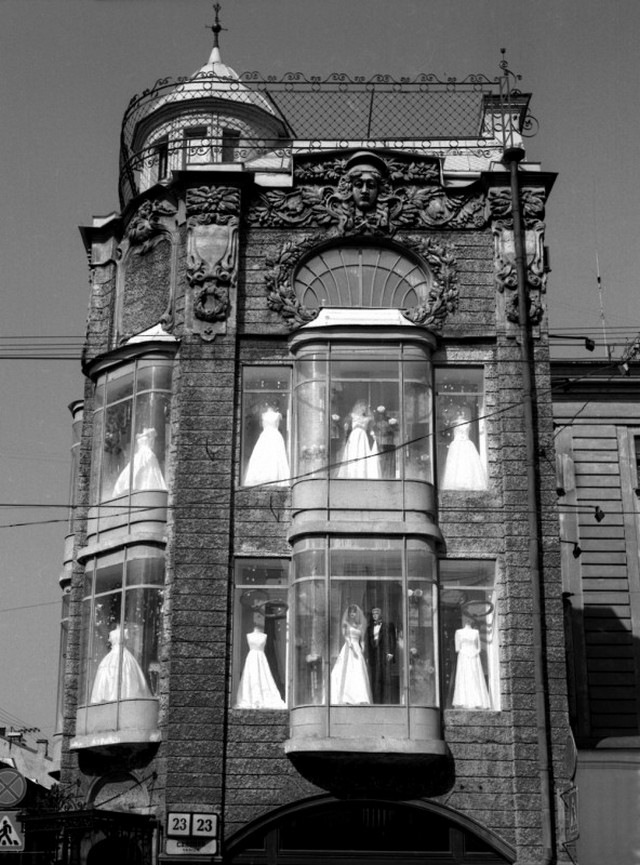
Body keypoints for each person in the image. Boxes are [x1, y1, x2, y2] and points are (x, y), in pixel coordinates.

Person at [235, 614, 286, 709]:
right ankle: (250, 698)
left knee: (263, 676)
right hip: (251, 659)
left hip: (262, 659)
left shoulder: (264, 636)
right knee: (250, 677)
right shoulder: (249, 635)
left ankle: (263, 698)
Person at [90, 625, 151, 703]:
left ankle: (122, 697)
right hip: (119, 654)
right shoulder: (115, 632)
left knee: (124, 673)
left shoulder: (124, 631)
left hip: (121, 654)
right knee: (117, 673)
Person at [330, 605, 371, 704]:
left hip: (357, 647)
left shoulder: (360, 625)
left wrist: (363, 646)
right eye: (351, 612)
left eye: (354, 612)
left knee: (358, 671)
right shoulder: (346, 624)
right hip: (349, 648)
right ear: (349, 614)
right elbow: (346, 636)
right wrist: (350, 644)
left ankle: (360, 697)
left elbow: (362, 639)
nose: (353, 614)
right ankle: (346, 697)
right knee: (347, 669)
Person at [244, 404, 290, 486]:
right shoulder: (263, 415)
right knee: (264, 455)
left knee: (275, 456)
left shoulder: (277, 415)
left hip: (274, 436)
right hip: (266, 436)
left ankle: (274, 477)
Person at [112, 427, 166, 496]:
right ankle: (133, 487)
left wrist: (145, 434)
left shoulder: (150, 431)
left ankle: (146, 488)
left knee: (148, 470)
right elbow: (137, 437)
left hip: (147, 453)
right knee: (134, 469)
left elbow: (154, 433)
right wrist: (142, 434)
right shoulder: (138, 434)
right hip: (139, 453)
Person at [452, 617, 492, 709]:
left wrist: (474, 652)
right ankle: (464, 700)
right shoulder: (458, 632)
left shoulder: (476, 632)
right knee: (465, 676)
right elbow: (457, 648)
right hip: (463, 657)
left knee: (475, 677)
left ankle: (477, 701)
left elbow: (478, 647)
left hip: (474, 656)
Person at [441, 413, 487, 490]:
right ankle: (457, 483)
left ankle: (468, 483)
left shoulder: (467, 423)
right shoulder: (453, 423)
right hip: (457, 444)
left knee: (467, 463)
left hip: (466, 444)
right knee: (456, 463)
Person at [338, 400, 379, 479]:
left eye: (365, 408)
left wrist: (373, 435)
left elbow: (370, 428)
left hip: (363, 436)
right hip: (354, 435)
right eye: (362, 407)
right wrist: (345, 428)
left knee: (362, 452)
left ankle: (361, 474)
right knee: (353, 453)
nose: (363, 409)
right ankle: (352, 474)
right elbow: (346, 424)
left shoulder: (367, 418)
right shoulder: (353, 416)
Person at [366, 607, 399, 703]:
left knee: (385, 679)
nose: (375, 615)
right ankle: (375, 701)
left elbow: (392, 639)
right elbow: (368, 643)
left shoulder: (388, 625)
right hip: (373, 657)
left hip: (384, 655)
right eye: (373, 614)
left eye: (377, 613)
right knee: (374, 679)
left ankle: (385, 702)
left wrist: (391, 652)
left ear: (381, 614)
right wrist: (367, 656)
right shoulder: (369, 627)